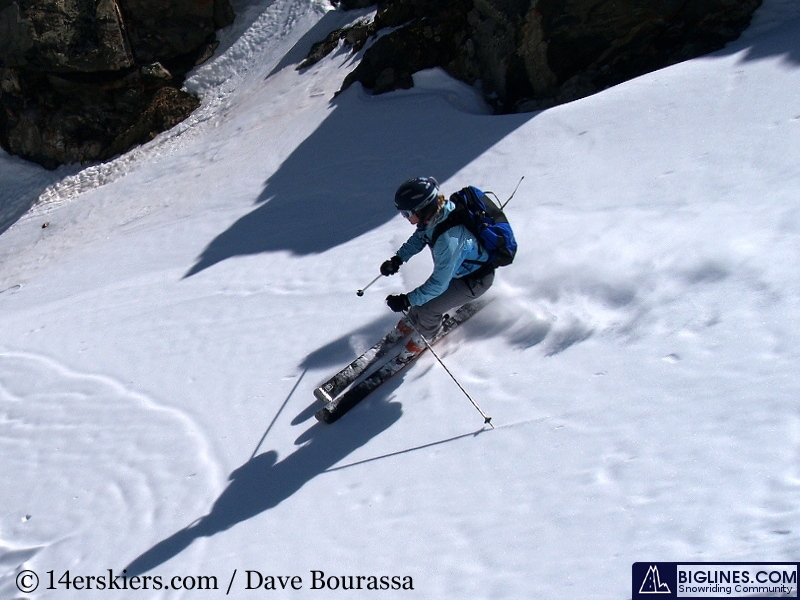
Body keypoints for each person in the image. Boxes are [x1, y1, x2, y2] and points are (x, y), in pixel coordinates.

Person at [380, 176, 495, 352]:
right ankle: (414, 318)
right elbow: (420, 237)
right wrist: (398, 259)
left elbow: (438, 285)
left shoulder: (449, 241)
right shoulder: (437, 217)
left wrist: (406, 300)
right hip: (458, 273)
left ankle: (428, 334)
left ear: (423, 208)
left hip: (473, 280)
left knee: (428, 309)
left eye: (407, 214)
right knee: (422, 300)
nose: (406, 218)